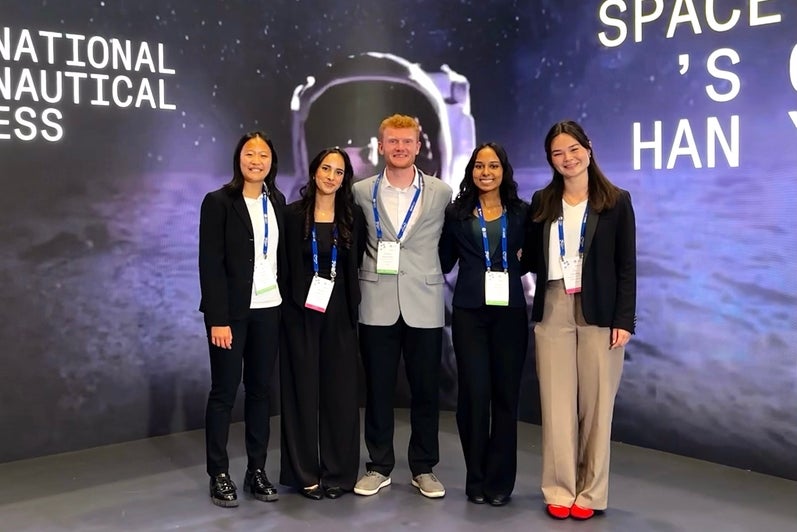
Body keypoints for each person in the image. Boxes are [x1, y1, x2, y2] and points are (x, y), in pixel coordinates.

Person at [521, 120, 636, 520]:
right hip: (553, 306)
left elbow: (627, 266)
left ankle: (590, 493)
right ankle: (559, 488)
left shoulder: (616, 201)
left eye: (573, 149)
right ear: (550, 160)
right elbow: (533, 258)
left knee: (596, 406)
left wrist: (625, 319)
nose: (567, 159)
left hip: (600, 312)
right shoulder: (542, 201)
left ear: (589, 148)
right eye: (557, 153)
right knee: (556, 405)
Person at [352, 114, 452, 499]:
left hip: (424, 303)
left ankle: (424, 467)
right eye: (392, 141)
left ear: (417, 145)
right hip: (377, 302)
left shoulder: (441, 192)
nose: (399, 148)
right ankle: (378, 466)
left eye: (406, 142)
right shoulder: (361, 191)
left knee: (425, 389)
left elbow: (447, 246)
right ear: (381, 146)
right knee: (378, 389)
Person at [439, 142, 529, 506]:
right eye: (479, 166)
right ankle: (475, 478)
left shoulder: (523, 212)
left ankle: (499, 483)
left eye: (493, 165)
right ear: (471, 171)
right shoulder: (457, 213)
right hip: (470, 314)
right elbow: (445, 260)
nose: (486, 172)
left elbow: (533, 258)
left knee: (506, 398)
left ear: (504, 170)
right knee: (474, 397)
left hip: (510, 313)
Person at [198, 131, 285, 507]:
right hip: (230, 315)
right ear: (239, 159)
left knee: (261, 393)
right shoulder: (218, 202)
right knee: (223, 393)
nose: (256, 160)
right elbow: (210, 265)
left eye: (263, 155)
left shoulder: (277, 200)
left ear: (271, 162)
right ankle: (218, 473)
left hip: (270, 309)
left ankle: (256, 470)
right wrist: (218, 319)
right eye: (250, 154)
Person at [278, 148, 365, 500]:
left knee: (341, 394)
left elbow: (354, 262)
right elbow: (283, 265)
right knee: (300, 393)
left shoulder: (353, 215)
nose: (331, 176)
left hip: (340, 312)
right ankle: (304, 474)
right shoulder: (291, 215)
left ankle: (339, 474)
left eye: (339, 172)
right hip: (300, 312)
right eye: (326, 169)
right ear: (314, 172)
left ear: (345, 179)